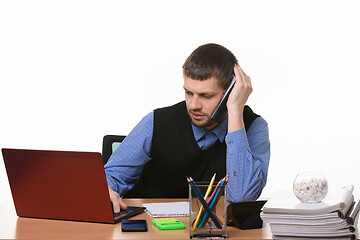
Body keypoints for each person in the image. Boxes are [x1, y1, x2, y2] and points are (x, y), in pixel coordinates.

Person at [105, 43, 270, 213]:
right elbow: (111, 176)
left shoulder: (254, 128)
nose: (193, 105)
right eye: (189, 93)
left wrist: (235, 111)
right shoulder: (157, 121)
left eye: (206, 96)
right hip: (153, 231)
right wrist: (107, 189)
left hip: (212, 233)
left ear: (230, 92)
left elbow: (242, 198)